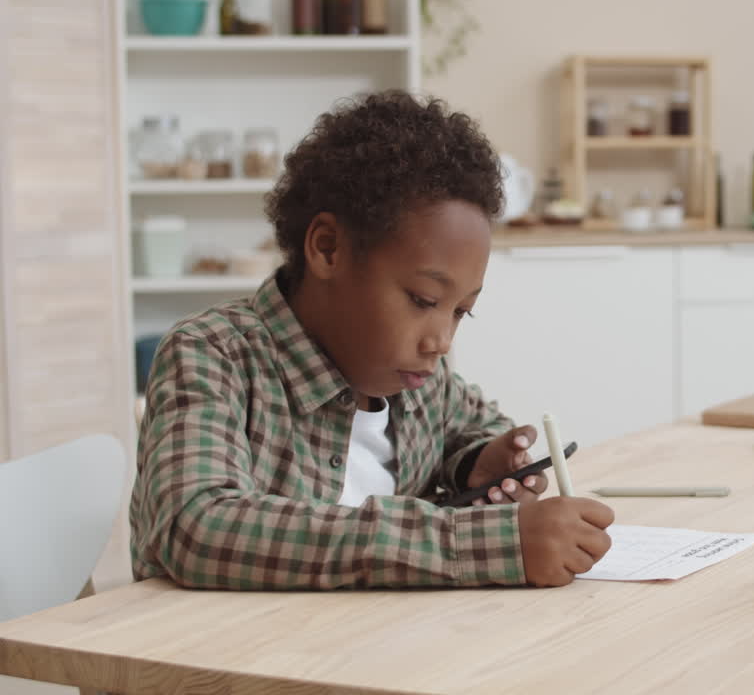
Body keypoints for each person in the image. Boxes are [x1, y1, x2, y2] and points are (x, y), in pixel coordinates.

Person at [130, 91, 613, 590]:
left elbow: (479, 426)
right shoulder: (212, 357)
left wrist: (480, 462)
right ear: (328, 248)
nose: (442, 340)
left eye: (461, 312)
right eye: (424, 300)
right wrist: (480, 544)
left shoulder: (420, 379)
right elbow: (199, 528)